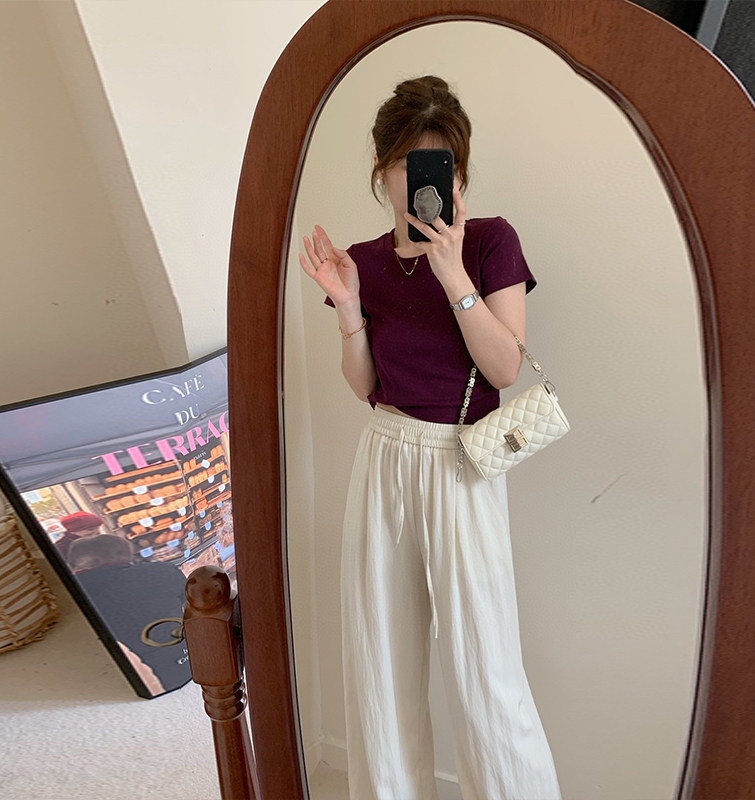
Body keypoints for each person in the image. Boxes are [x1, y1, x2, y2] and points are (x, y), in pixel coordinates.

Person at [299, 76, 562, 800]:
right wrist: (347, 306)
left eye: (441, 165)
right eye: (407, 164)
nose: (422, 182)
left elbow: (503, 366)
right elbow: (365, 384)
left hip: (463, 461)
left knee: (485, 668)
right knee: (379, 661)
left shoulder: (492, 242)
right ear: (381, 168)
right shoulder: (363, 260)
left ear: (459, 173)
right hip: (384, 453)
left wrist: (452, 272)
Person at [68, 534, 191, 693]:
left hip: (134, 680)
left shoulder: (73, 597)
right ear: (127, 555)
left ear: (75, 565)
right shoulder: (162, 571)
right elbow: (191, 605)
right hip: (189, 657)